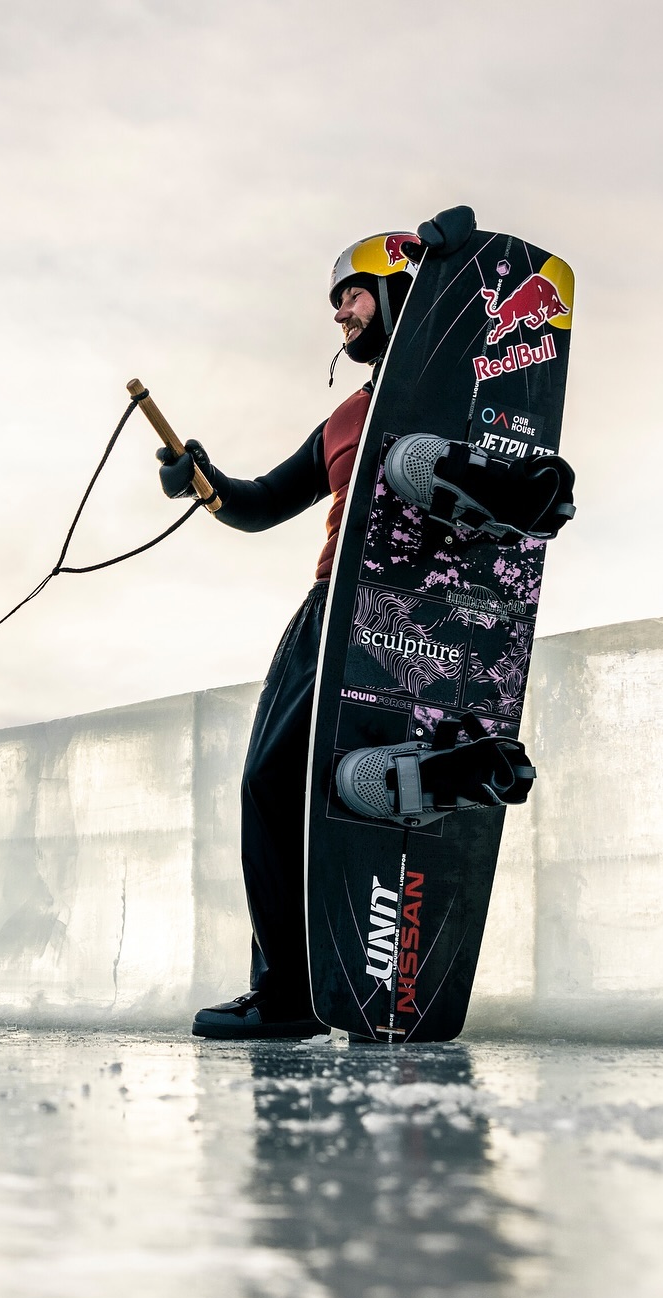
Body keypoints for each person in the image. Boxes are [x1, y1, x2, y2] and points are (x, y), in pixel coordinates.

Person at [155, 209, 477, 1040]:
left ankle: (303, 986)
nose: (339, 314)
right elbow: (258, 505)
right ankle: (291, 992)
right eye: (336, 302)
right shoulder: (343, 417)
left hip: (412, 603)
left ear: (400, 291)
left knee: (301, 784)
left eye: (353, 296)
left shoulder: (451, 382)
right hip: (331, 609)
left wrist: (458, 258)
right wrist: (199, 478)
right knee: (273, 785)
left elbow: (498, 336)